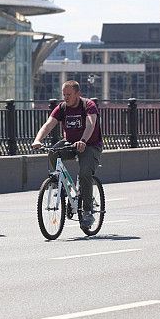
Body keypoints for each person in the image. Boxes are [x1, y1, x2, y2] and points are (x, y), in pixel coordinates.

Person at [32, 80, 103, 229]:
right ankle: (62, 186)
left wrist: (83, 140)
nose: (66, 98)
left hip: (90, 145)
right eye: (64, 94)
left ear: (78, 94)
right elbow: (49, 124)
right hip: (70, 143)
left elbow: (91, 123)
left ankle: (87, 211)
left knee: (84, 174)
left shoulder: (88, 105)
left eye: (69, 94)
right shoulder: (62, 108)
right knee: (52, 153)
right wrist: (38, 139)